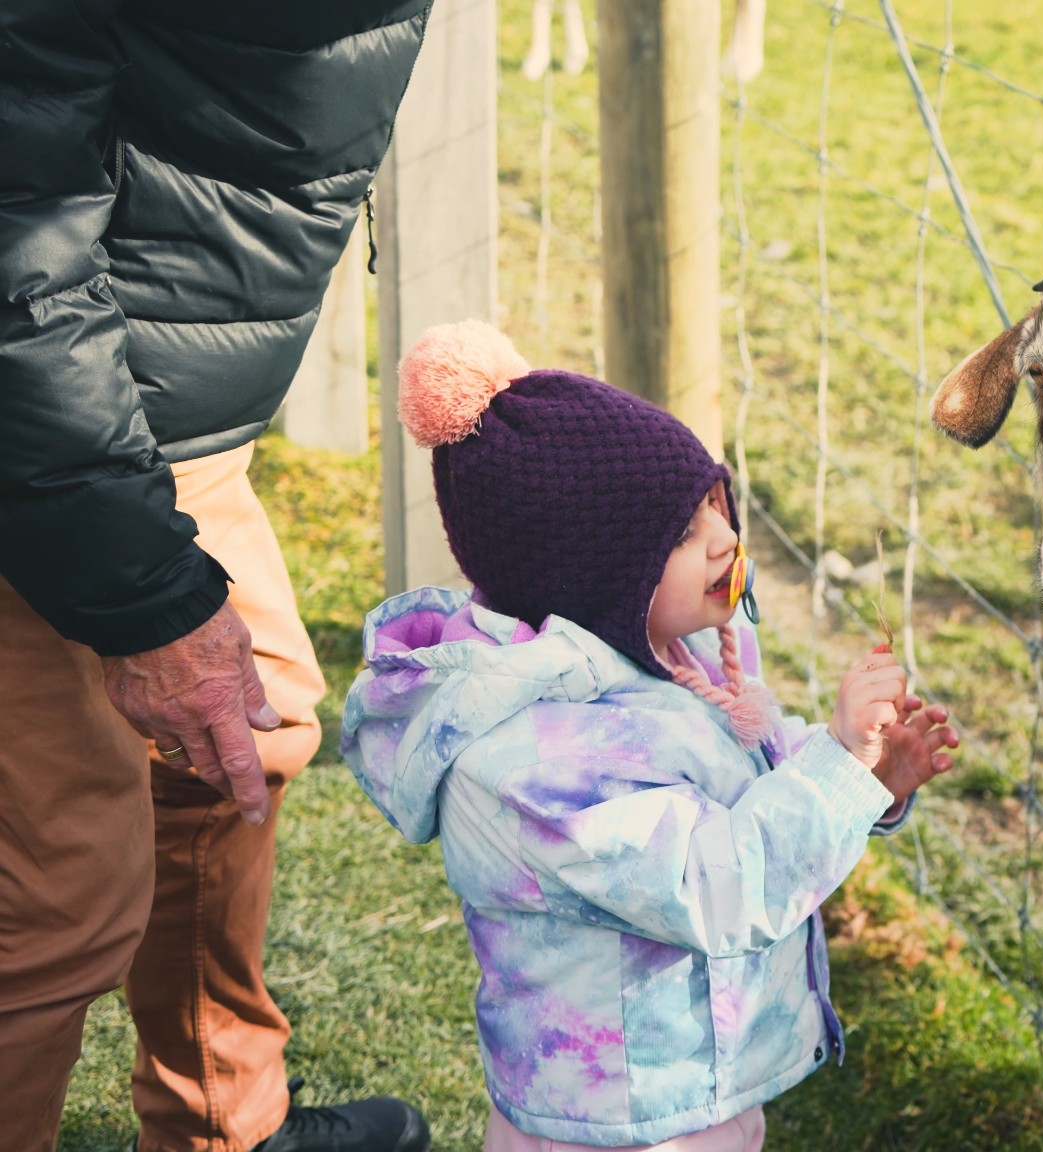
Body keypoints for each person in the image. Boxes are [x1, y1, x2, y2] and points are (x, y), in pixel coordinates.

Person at [342, 323, 959, 1152]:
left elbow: (744, 780)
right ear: (589, 573)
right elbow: (718, 883)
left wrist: (867, 777)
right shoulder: (542, 765)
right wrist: (839, 770)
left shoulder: (671, 651)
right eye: (681, 532)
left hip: (693, 1082)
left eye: (715, 502)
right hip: (618, 1121)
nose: (725, 538)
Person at [0, 3, 435, 1150]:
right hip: (39, 423)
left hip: (154, 409)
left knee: (245, 741)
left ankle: (222, 1129)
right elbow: (13, 254)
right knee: (51, 895)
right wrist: (147, 604)